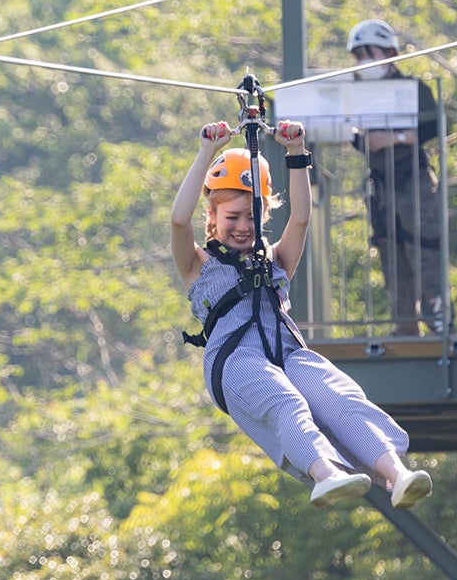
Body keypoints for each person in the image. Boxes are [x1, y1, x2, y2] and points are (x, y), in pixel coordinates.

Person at [170, 118, 433, 510]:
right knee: (285, 402)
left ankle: (397, 474)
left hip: (287, 353)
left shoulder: (275, 259)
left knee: (340, 397)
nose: (243, 227)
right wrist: (205, 151)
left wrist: (297, 154)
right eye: (232, 217)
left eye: (251, 216)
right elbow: (177, 220)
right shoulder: (197, 264)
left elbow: (300, 218)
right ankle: (325, 475)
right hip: (234, 359)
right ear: (212, 216)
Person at [346, 18, 446, 336]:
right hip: (381, 186)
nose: (364, 62)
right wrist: (365, 140)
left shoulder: (415, 90)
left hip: (414, 181)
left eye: (370, 53)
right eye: (359, 56)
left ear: (390, 53)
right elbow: (347, 131)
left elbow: (432, 127)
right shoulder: (355, 95)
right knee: (392, 256)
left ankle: (441, 324)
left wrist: (393, 138)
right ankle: (404, 327)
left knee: (426, 253)